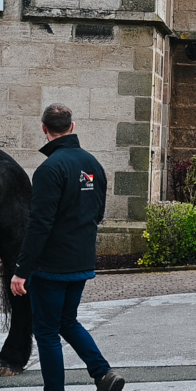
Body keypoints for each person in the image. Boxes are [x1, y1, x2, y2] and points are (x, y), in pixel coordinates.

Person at [10, 104, 125, 391]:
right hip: (82, 260)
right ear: (72, 127)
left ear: (44, 129)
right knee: (67, 321)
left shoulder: (49, 169)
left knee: (46, 331)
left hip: (51, 266)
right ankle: (102, 372)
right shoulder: (92, 164)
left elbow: (39, 225)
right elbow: (97, 213)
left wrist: (21, 270)